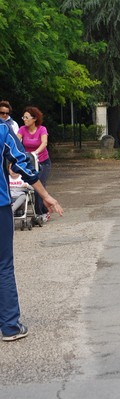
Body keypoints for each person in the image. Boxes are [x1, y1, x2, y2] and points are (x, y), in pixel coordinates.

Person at [0, 120, 63, 341]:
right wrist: (45, 195)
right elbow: (21, 162)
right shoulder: (1, 129)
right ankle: (10, 327)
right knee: (3, 266)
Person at [17, 106, 51, 221]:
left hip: (43, 162)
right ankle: (20, 209)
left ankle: (42, 212)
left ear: (34, 118)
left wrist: (35, 152)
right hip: (29, 163)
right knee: (25, 187)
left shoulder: (42, 129)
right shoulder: (22, 129)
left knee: (38, 186)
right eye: (23, 117)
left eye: (26, 117)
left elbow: (44, 142)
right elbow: (16, 142)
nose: (24, 120)